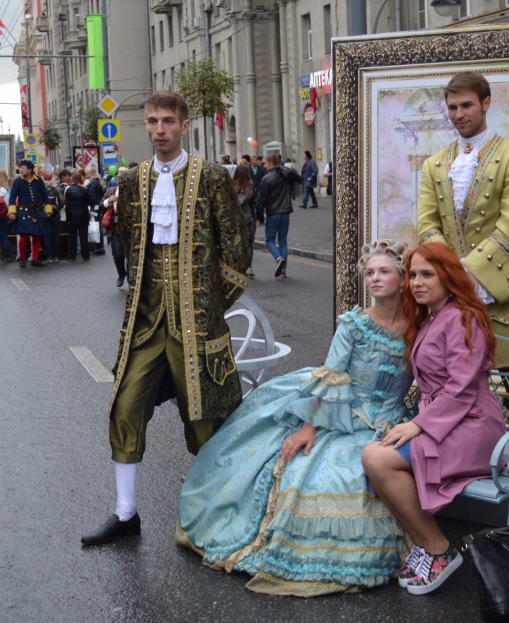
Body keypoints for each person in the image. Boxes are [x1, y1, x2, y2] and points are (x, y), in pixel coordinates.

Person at [177, 240, 415, 596]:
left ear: (401, 278)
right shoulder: (353, 325)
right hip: (342, 413)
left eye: (384, 272)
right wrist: (308, 428)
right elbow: (332, 378)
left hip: (390, 421)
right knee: (315, 472)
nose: (375, 279)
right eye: (369, 273)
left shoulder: (417, 327)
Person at [81, 90, 251, 546]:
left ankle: (211, 510)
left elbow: (237, 245)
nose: (159, 130)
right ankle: (125, 512)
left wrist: (214, 304)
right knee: (124, 405)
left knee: (204, 417)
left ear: (184, 125)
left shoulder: (211, 176)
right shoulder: (134, 181)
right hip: (146, 320)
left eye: (167, 122)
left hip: (196, 324)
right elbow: (134, 244)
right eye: (152, 122)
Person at [361, 241, 506, 596]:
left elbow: (461, 387)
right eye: (412, 275)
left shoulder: (463, 317)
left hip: (472, 424)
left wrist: (417, 424)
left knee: (378, 458)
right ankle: (428, 546)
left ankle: (439, 549)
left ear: (448, 276)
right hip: (447, 420)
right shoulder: (433, 317)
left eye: (427, 274)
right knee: (373, 455)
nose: (416, 283)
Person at [416, 71, 509, 370]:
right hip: (451, 292)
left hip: (500, 291)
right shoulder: (434, 164)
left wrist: (469, 276)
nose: (458, 114)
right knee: (457, 382)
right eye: (452, 107)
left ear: (486, 103)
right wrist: (452, 274)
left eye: (466, 105)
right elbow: (427, 225)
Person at [256, 153, 295, 278]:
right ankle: (283, 270)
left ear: (271, 164)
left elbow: (261, 200)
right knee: (283, 241)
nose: (264, 165)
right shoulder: (285, 176)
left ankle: (278, 259)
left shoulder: (267, 179)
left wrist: (260, 218)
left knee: (270, 240)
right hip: (285, 212)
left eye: (265, 163)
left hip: (273, 213)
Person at [8, 160, 53, 268]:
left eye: (23, 168)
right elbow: (12, 198)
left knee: (37, 236)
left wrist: (48, 210)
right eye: (21, 168)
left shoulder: (38, 181)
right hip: (23, 211)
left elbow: (45, 196)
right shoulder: (18, 181)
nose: (21, 170)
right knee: (24, 236)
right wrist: (12, 212)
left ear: (30, 170)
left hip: (36, 211)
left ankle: (35, 259)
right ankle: (22, 259)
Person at [62, 168, 93, 262]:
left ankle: (72, 255)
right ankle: (85, 255)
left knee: (72, 236)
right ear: (81, 179)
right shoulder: (85, 190)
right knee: (83, 236)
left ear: (72, 179)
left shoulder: (67, 189)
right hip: (83, 214)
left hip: (71, 214)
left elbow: (64, 201)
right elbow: (91, 201)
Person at [232, 162, 256, 278]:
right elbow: (254, 203)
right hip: (250, 219)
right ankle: (248, 267)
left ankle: (241, 267)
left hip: (237, 219)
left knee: (240, 244)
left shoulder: (232, 186)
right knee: (249, 244)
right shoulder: (250, 186)